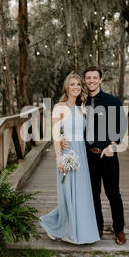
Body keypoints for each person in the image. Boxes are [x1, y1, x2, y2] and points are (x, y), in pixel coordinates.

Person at [39, 73, 100, 245]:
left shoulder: (82, 107)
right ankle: (61, 228)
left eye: (78, 84)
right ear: (67, 87)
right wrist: (59, 159)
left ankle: (75, 229)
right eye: (72, 84)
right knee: (68, 194)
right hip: (67, 153)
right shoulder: (59, 107)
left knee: (81, 194)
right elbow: (56, 134)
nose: (75, 87)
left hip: (81, 153)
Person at [83, 66, 127, 245]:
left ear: (100, 80)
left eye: (95, 77)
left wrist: (114, 145)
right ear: (85, 81)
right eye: (88, 78)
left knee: (113, 194)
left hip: (108, 155)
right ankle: (98, 227)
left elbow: (122, 125)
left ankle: (119, 229)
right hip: (88, 156)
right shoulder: (81, 102)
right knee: (93, 194)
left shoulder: (112, 100)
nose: (91, 81)